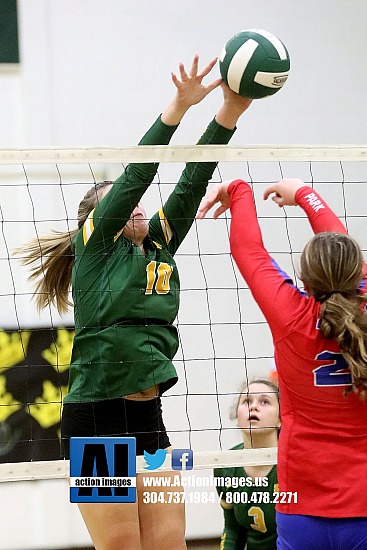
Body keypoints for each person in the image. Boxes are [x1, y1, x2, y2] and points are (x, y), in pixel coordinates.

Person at [15, 56, 253, 550]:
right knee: (121, 547)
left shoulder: (160, 243)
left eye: (140, 201)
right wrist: (176, 108)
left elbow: (193, 179)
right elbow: (137, 175)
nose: (138, 203)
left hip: (149, 420)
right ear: (101, 217)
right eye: (123, 201)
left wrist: (230, 109)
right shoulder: (97, 249)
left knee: (170, 545)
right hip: (96, 419)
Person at [198, 178, 367, 550]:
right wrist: (306, 195)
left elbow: (249, 252)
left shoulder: (291, 314)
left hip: (301, 508)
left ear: (303, 279)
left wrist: (240, 191)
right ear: (358, 274)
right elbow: (344, 256)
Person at [214, 379, 279, 550]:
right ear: (237, 417)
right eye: (247, 401)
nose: (254, 407)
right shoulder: (225, 467)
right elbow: (232, 529)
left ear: (281, 419)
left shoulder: (293, 463)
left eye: (264, 402)